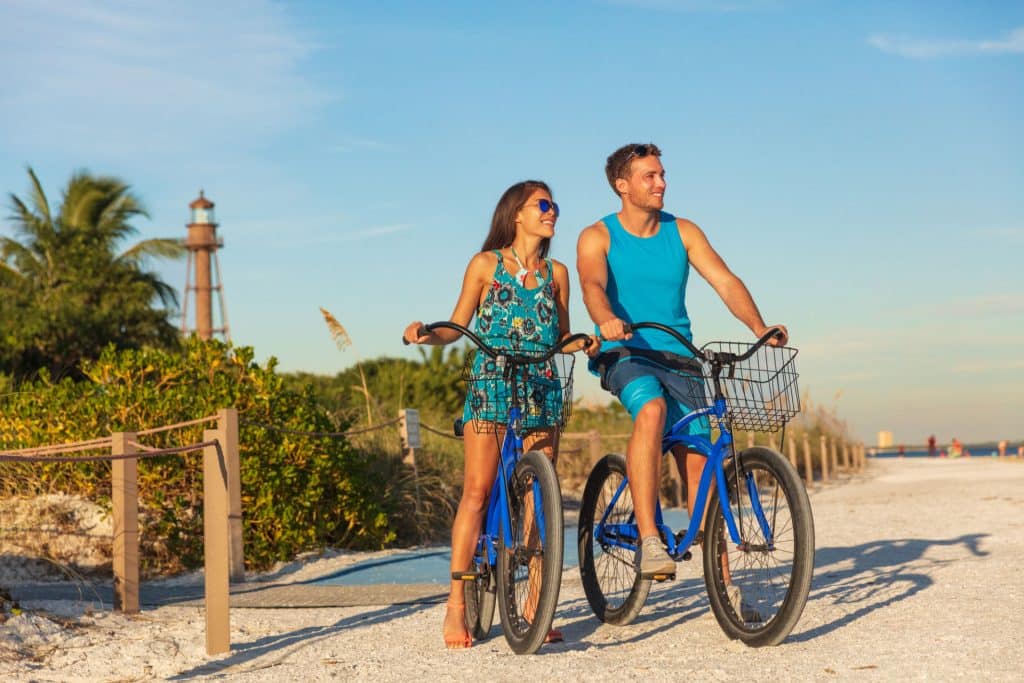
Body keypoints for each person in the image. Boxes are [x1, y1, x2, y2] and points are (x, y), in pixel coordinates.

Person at [577, 143, 788, 587]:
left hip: (680, 356)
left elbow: (724, 280)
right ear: (622, 185)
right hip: (626, 352)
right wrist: (606, 319)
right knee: (651, 410)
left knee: (700, 463)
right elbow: (592, 285)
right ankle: (650, 540)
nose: (661, 183)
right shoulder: (597, 235)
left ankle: (723, 585)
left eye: (662, 174)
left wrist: (759, 327)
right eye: (649, 176)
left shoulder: (683, 231)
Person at [403, 180, 588, 649]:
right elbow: (456, 326)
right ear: (516, 214)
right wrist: (425, 333)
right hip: (491, 383)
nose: (551, 212)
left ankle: (536, 604)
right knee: (477, 492)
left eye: (554, 205)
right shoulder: (486, 265)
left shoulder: (558, 273)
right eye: (542, 204)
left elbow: (561, 337)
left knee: (540, 498)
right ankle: (455, 604)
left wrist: (584, 342)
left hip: (541, 385)